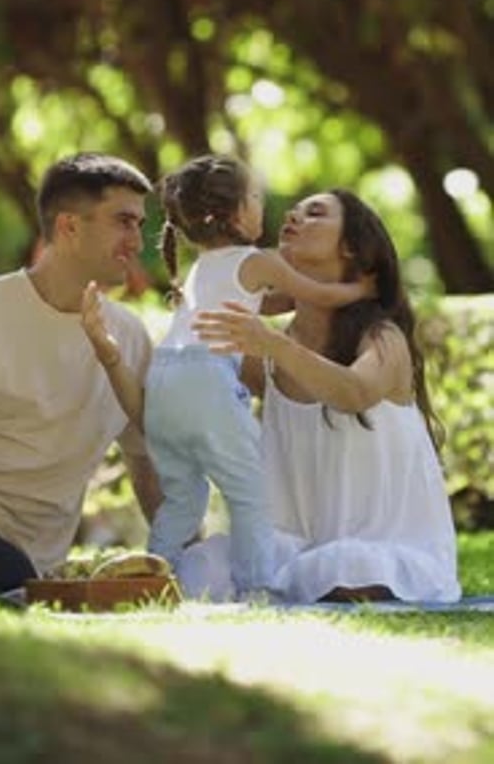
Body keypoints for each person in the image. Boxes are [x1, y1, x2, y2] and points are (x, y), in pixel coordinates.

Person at [81, 155, 373, 597]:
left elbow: (263, 304)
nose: (264, 205)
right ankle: (258, 587)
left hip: (164, 380)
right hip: (206, 379)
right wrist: (367, 287)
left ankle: (149, 579)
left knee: (183, 500)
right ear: (236, 213)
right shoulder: (260, 260)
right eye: (255, 196)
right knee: (249, 490)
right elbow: (319, 295)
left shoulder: (203, 266)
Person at [185, 187, 461, 603]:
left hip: (384, 552)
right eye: (293, 212)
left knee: (344, 566)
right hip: (296, 549)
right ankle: (277, 584)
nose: (293, 217)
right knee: (201, 564)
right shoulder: (272, 349)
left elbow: (355, 392)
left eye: (314, 213)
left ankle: (273, 588)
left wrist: (274, 344)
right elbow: (196, 347)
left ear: (351, 248)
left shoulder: (382, 337)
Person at [0, 152, 162, 596]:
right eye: (123, 222)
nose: (137, 241)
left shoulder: (129, 336)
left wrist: (183, 555)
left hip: (34, 571)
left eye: (138, 225)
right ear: (69, 227)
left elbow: (145, 463)